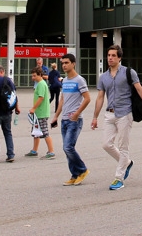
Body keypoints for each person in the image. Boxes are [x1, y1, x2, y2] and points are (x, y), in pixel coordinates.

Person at [90, 44, 142, 190]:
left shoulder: (128, 72)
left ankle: (118, 178)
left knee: (123, 146)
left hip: (125, 114)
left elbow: (140, 90)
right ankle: (127, 162)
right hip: (109, 114)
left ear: (119, 57)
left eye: (113, 55)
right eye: (109, 55)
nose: (110, 58)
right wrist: (95, 117)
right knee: (106, 144)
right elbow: (100, 98)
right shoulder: (104, 77)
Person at [51, 53, 90, 185]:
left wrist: (77, 113)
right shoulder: (65, 81)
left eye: (67, 62)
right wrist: (56, 116)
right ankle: (74, 175)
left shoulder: (79, 80)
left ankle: (83, 170)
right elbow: (62, 99)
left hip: (75, 120)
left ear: (73, 64)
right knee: (66, 148)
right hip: (64, 120)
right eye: (62, 63)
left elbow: (87, 98)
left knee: (68, 147)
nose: (64, 65)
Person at [26, 66, 56, 160]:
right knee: (36, 132)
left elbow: (41, 97)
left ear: (40, 75)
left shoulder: (41, 84)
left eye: (34, 76)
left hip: (41, 112)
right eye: (32, 76)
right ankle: (34, 150)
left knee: (44, 132)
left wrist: (33, 108)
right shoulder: (39, 84)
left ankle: (51, 151)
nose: (33, 78)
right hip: (38, 113)